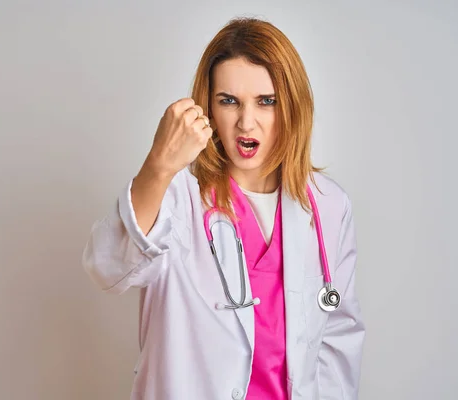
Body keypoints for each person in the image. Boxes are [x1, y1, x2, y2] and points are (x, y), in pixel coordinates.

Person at [82, 16, 365, 400]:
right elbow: (107, 268)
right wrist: (159, 165)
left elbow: (337, 342)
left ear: (292, 107)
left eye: (267, 102)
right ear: (208, 109)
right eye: (228, 101)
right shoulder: (178, 196)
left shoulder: (329, 206)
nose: (246, 123)